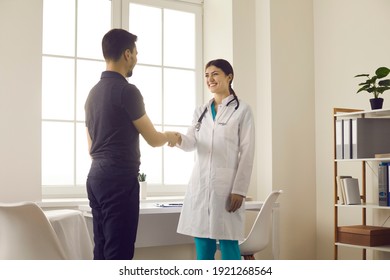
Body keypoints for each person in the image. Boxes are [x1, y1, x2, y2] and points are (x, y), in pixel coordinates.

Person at [84, 28, 179, 260]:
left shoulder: (92, 94)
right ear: (127, 54)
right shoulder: (128, 91)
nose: (136, 58)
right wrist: (170, 136)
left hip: (95, 177)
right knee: (119, 252)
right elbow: (153, 139)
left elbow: (90, 147)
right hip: (119, 179)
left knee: (102, 249)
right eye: (135, 53)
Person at [174, 59, 255, 260]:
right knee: (202, 244)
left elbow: (247, 151)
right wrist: (175, 138)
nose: (210, 79)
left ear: (229, 77)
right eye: (207, 75)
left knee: (228, 244)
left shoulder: (242, 110)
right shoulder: (200, 111)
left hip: (226, 188)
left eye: (215, 74)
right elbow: (191, 143)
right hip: (201, 185)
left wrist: (240, 189)